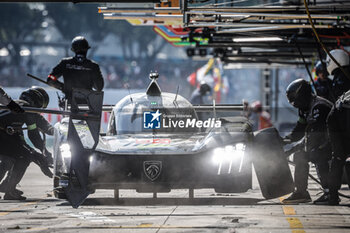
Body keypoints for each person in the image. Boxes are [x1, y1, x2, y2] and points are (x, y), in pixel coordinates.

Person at [282, 79, 333, 204]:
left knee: (316, 152)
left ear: (302, 95)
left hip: (337, 142)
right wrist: (284, 141)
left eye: (294, 99)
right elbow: (300, 129)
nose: (293, 103)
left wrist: (290, 150)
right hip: (323, 141)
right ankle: (301, 193)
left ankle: (329, 192)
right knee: (301, 156)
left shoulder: (319, 107)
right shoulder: (304, 108)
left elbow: (314, 137)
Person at [0, 87, 54, 200]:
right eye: (40, 108)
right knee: (23, 156)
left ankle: (7, 187)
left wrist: (42, 155)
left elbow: (22, 144)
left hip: (3, 137)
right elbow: (33, 135)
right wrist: (44, 155)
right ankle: (10, 190)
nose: (39, 112)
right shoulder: (27, 109)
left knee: (11, 158)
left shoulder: (16, 110)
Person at [47, 36, 104, 104]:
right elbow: (99, 87)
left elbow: (51, 78)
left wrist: (62, 87)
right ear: (86, 49)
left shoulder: (65, 63)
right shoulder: (93, 66)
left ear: (73, 49)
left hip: (69, 105)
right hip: (88, 106)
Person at [326, 89, 350, 205]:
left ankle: (332, 196)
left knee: (339, 158)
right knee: (339, 157)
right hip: (339, 119)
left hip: (338, 116)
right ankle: (332, 196)